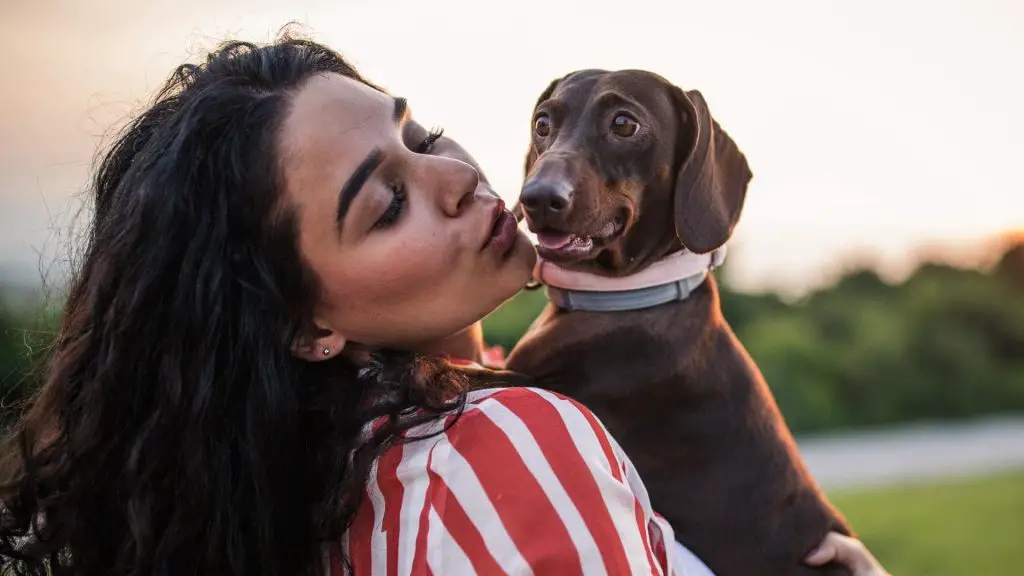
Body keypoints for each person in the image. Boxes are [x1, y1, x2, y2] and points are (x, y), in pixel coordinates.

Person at [0, 34, 888, 576]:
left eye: (419, 137)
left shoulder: (319, 477)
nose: (462, 179)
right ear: (306, 326)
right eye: (388, 204)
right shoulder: (516, 444)